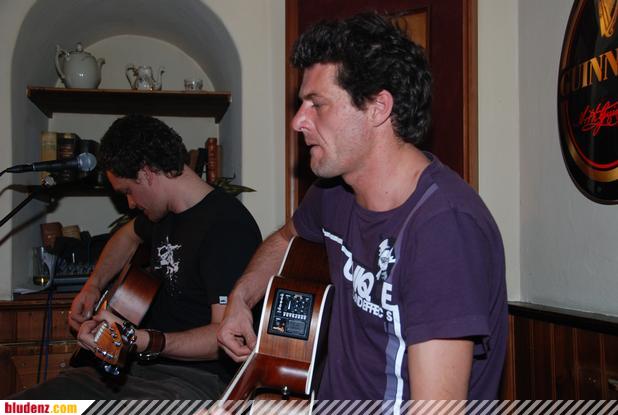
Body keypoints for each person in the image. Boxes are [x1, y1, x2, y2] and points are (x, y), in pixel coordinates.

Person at [217, 12, 508, 406]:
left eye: (317, 104)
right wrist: (241, 297)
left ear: (377, 107)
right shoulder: (333, 192)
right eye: (301, 104)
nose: (298, 121)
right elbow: (286, 239)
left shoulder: (444, 229)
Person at [14, 114, 262, 400]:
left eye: (128, 192)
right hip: (137, 372)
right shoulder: (162, 215)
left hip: (195, 384)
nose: (130, 203)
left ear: (146, 172)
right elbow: (126, 236)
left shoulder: (227, 226)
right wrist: (93, 285)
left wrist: (145, 341)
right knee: (23, 406)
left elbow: (223, 335)